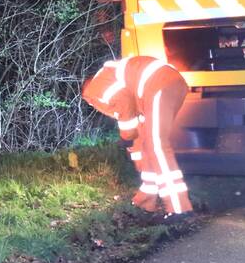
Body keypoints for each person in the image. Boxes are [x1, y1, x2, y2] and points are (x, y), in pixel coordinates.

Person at [82, 56, 192, 216]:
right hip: (168, 84)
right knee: (148, 144)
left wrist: (126, 136)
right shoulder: (112, 78)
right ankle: (145, 201)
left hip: (159, 85)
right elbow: (138, 136)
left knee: (156, 146)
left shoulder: (94, 90)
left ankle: (179, 208)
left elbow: (124, 104)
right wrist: (136, 154)